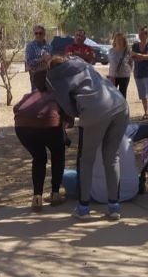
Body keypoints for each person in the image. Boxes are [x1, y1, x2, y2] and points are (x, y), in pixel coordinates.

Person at [46, 55, 129, 220]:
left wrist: (75, 115)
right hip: (120, 104)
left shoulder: (53, 77)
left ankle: (83, 208)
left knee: (86, 160)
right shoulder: (81, 63)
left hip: (94, 110)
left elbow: (65, 104)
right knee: (112, 158)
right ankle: (114, 207)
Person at [14, 69, 68, 212]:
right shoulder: (58, 96)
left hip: (23, 128)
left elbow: (16, 108)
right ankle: (55, 193)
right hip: (49, 126)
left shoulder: (29, 95)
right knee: (58, 155)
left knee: (39, 158)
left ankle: (37, 197)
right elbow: (68, 117)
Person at [131, 26, 148, 119]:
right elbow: (132, 56)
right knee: (142, 94)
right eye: (139, 34)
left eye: (142, 34)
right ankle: (146, 113)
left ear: (146, 35)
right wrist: (143, 56)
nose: (140, 35)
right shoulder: (135, 45)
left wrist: (138, 55)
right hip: (138, 72)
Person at [24, 24, 52, 91]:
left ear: (44, 34)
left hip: (49, 77)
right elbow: (29, 63)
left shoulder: (49, 47)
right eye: (36, 33)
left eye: (40, 33)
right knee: (37, 96)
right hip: (36, 77)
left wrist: (49, 59)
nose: (38, 35)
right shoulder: (30, 46)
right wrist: (42, 59)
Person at [107, 32, 132, 97]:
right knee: (111, 95)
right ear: (114, 41)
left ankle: (122, 107)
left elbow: (131, 63)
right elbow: (111, 63)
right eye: (117, 39)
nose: (119, 41)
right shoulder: (111, 51)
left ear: (124, 41)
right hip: (113, 76)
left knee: (122, 95)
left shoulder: (128, 51)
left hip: (124, 76)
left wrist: (128, 72)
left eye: (121, 40)